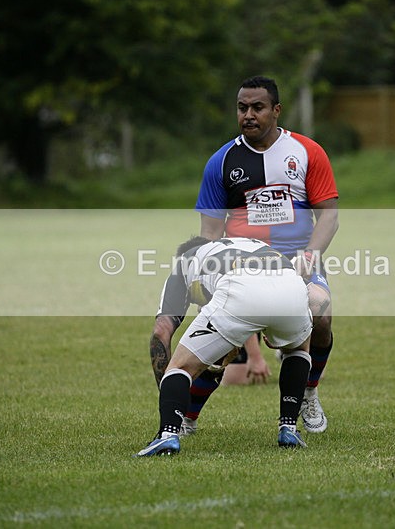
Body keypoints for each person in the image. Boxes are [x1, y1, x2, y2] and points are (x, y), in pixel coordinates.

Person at [189, 75, 339, 435]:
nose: (249, 115)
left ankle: (308, 392)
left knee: (320, 313)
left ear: (276, 110)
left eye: (257, 107)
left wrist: (309, 256)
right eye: (242, 108)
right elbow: (209, 234)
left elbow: (329, 216)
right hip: (243, 268)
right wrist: (208, 277)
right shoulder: (221, 161)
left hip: (297, 262)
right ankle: (185, 419)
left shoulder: (306, 152)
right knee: (218, 346)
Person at [137, 236, 313, 456]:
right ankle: (288, 428)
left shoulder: (185, 262)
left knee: (180, 368)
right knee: (298, 349)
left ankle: (168, 434)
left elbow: (161, 332)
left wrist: (168, 394)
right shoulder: (251, 243)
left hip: (240, 287)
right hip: (291, 284)